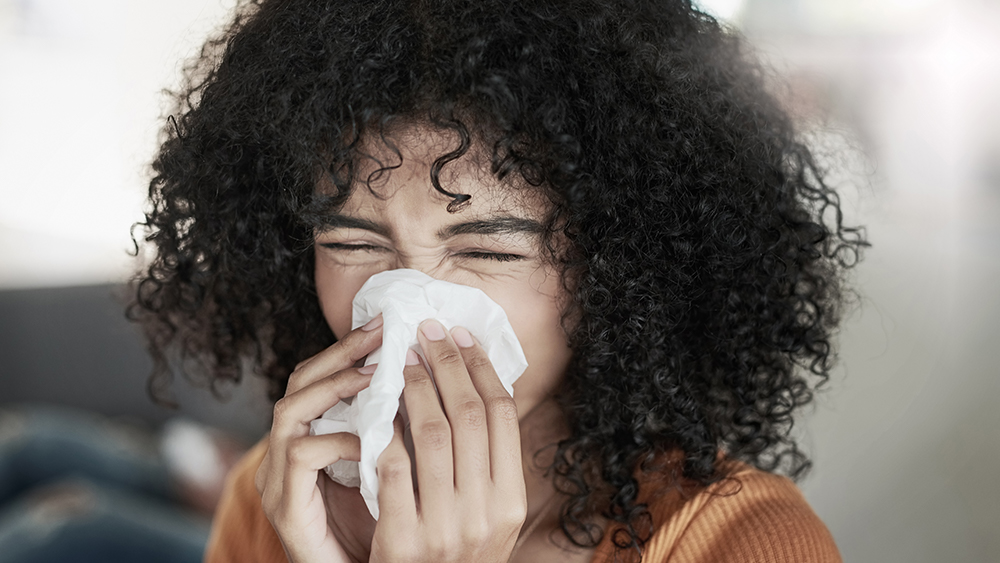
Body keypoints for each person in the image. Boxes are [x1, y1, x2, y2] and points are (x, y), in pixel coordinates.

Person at [130, 0, 866, 561]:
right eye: (352, 240)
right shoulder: (277, 497)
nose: (406, 314)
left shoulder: (740, 539)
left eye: (489, 251)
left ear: (619, 271)